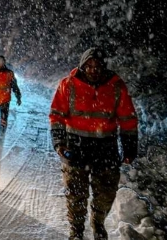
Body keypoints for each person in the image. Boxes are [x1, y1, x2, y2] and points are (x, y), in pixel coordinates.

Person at [49, 48, 138, 240]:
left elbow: (128, 119)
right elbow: (56, 115)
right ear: (82, 66)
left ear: (103, 67)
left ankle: (98, 224)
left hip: (106, 149)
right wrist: (59, 142)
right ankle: (76, 231)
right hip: (75, 147)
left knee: (105, 194)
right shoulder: (68, 85)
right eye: (88, 66)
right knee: (75, 194)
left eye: (97, 66)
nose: (93, 70)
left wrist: (130, 147)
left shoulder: (116, 87)